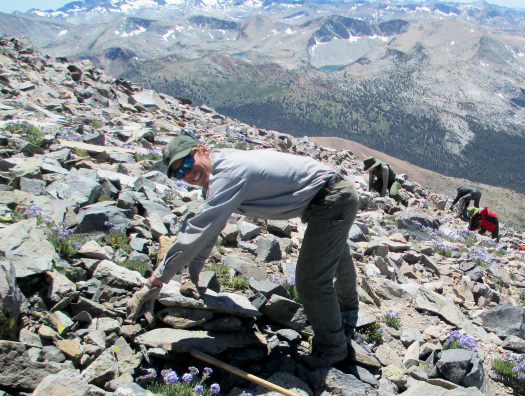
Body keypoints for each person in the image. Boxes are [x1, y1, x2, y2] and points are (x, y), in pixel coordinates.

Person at [126, 135, 360, 368]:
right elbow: (210, 230)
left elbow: (197, 232)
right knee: (336, 254)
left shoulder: (228, 175)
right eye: (179, 173)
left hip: (331, 198)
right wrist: (194, 276)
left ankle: (333, 350)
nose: (187, 174)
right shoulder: (217, 174)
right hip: (331, 194)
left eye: (187, 162)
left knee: (311, 280)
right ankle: (347, 317)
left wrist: (155, 281)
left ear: (202, 150)